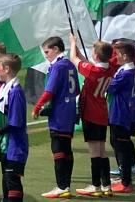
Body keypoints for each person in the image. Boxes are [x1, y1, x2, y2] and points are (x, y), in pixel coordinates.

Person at [32, 37, 79, 198]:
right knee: (67, 149)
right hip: (70, 110)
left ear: (56, 49)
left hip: (60, 113)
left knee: (58, 149)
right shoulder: (70, 64)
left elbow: (49, 91)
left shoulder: (58, 67)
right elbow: (76, 90)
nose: (46, 55)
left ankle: (62, 186)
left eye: (47, 51)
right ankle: (66, 185)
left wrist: (38, 106)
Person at [70, 35, 117, 197]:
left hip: (90, 113)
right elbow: (86, 63)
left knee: (94, 151)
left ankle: (96, 185)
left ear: (96, 55)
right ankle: (106, 185)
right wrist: (78, 50)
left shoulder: (92, 70)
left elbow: (73, 58)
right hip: (102, 112)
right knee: (102, 151)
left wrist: (73, 43)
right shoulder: (109, 68)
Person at [0, 53, 28, 202]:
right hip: (7, 146)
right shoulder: (6, 88)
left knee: (12, 181)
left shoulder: (15, 91)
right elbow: (1, 112)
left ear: (7, 69)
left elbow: (15, 122)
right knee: (6, 178)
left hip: (15, 146)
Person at [108, 41, 135, 193]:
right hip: (130, 110)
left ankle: (126, 182)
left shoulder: (127, 73)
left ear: (125, 56)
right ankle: (125, 177)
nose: (116, 57)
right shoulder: (134, 68)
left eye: (118, 54)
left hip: (122, 112)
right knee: (122, 144)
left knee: (120, 146)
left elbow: (111, 88)